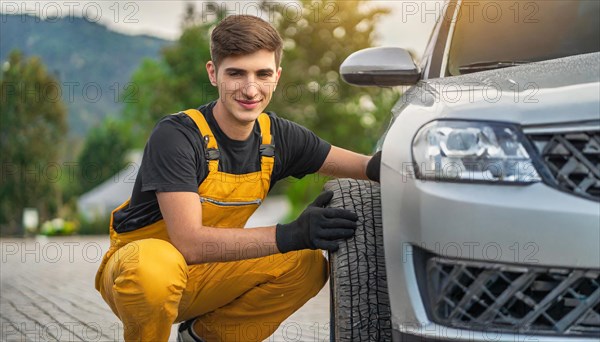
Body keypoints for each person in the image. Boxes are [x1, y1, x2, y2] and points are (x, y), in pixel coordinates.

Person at [95, 14, 380, 342]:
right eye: (236, 73)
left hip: (209, 273)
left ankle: (204, 337)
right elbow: (188, 243)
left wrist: (406, 161)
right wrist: (292, 232)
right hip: (140, 276)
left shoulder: (278, 138)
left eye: (262, 74)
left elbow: (368, 167)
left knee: (306, 264)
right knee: (154, 267)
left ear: (277, 77)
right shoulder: (176, 136)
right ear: (213, 73)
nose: (250, 89)